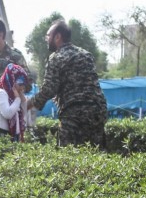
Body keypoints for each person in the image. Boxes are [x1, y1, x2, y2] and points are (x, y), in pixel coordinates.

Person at [28, 19, 108, 149]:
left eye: (48, 35)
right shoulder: (86, 54)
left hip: (74, 114)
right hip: (97, 111)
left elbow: (49, 89)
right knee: (96, 155)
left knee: (69, 157)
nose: (46, 39)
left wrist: (30, 103)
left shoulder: (56, 57)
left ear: (58, 37)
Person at [0, 63, 29, 142]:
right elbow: (8, 114)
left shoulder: (13, 95)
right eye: (20, 83)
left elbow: (26, 110)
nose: (23, 87)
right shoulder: (1, 93)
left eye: (24, 84)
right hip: (0, 136)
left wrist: (21, 96)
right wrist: (17, 99)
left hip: (12, 136)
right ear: (11, 80)